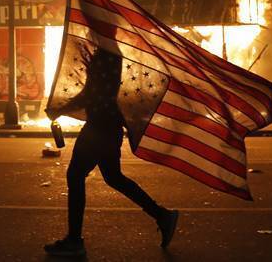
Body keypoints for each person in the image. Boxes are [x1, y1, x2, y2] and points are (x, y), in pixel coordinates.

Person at [44, 48, 179, 257]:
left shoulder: (106, 54)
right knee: (113, 177)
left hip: (99, 128)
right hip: (108, 126)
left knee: (76, 175)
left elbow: (92, 94)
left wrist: (60, 109)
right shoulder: (109, 53)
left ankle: (74, 241)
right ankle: (161, 215)